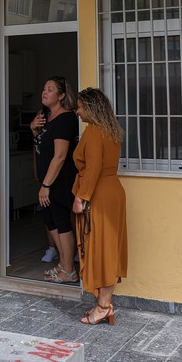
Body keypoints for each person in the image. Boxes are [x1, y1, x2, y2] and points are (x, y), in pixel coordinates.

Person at [72, 87, 128, 326]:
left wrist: (81, 197)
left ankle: (103, 306)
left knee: (101, 250)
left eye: (81, 107)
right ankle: (104, 303)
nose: (77, 111)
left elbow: (92, 168)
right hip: (113, 191)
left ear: (92, 108)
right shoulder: (111, 131)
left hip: (99, 195)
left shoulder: (94, 132)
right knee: (110, 250)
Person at [29, 76, 79, 284]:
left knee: (60, 221)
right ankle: (63, 266)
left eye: (50, 89)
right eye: (44, 88)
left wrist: (46, 185)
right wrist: (34, 130)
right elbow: (41, 148)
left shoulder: (66, 119)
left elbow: (60, 156)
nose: (44, 92)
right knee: (50, 222)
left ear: (61, 95)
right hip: (46, 182)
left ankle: (69, 270)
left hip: (59, 181)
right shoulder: (46, 118)